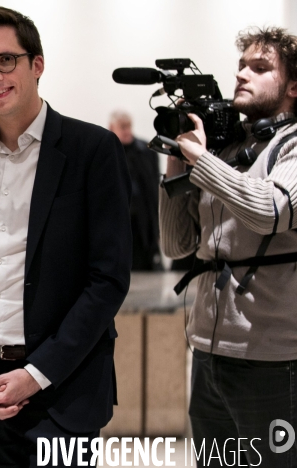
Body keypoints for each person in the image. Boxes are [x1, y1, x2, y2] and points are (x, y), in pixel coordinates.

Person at [0, 7, 132, 467]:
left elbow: (107, 280)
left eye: (6, 60)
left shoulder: (93, 151)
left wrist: (36, 373)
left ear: (36, 64)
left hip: (64, 389)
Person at [160, 27, 297, 467]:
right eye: (241, 65)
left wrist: (202, 160)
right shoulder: (230, 147)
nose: (242, 75)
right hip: (208, 352)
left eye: (260, 68)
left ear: (293, 86)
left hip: (272, 360)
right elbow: (176, 243)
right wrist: (177, 156)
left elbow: (269, 211)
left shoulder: (290, 145)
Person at [109, 110, 162, 271]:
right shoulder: (106, 151)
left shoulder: (145, 152)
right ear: (112, 128)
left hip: (142, 221)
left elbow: (153, 188)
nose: (126, 131)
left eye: (128, 126)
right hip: (117, 220)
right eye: (122, 127)